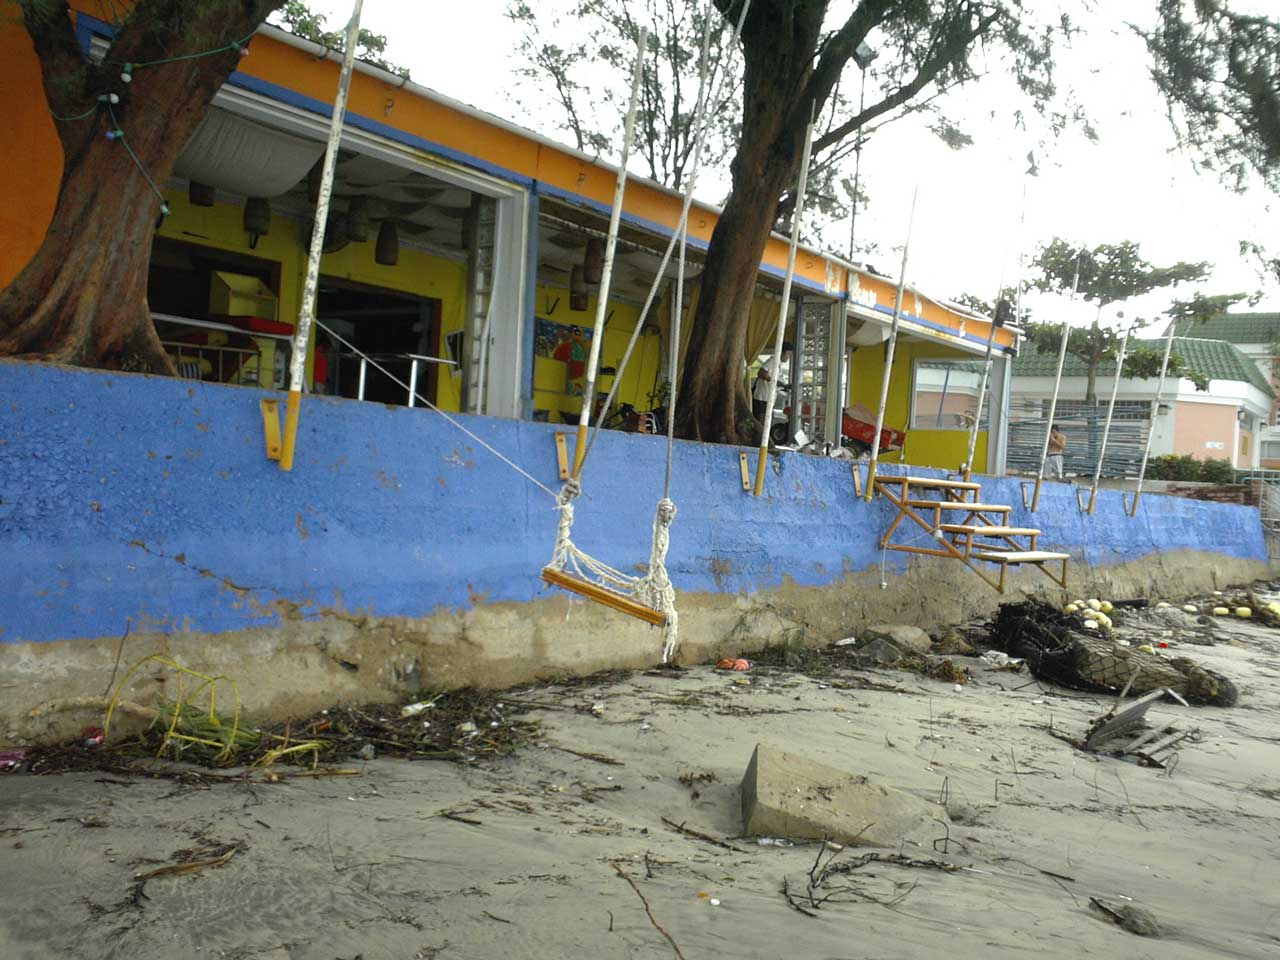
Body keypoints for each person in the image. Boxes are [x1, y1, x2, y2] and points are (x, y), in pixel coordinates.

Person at [752, 341, 793, 427]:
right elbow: (761, 373)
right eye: (788, 354)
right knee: (760, 423)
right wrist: (779, 383)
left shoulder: (779, 364)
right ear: (782, 352)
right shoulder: (773, 361)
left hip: (769, 399)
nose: (788, 357)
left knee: (766, 423)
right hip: (762, 398)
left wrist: (784, 386)